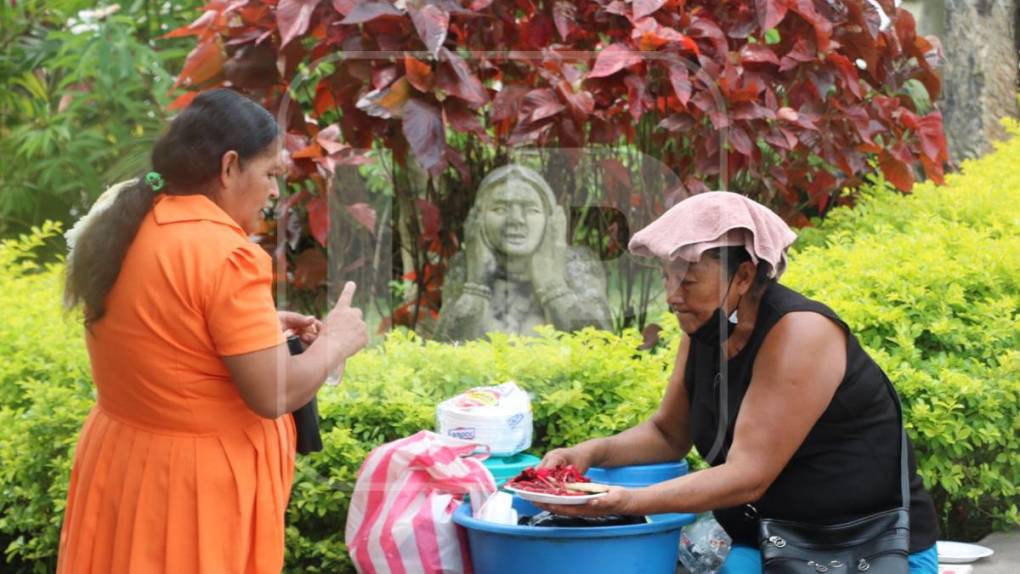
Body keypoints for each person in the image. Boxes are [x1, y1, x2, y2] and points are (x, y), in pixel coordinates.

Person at [537, 192, 940, 573]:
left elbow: (749, 475)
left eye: (688, 281)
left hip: (862, 550)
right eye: (666, 278)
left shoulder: (801, 333)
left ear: (744, 276)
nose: (672, 297)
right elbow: (667, 433)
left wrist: (629, 501)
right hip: (771, 541)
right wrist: (588, 453)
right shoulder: (704, 331)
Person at [59, 89, 368, 573]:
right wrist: (337, 340)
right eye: (269, 175)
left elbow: (165, 332)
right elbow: (273, 394)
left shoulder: (132, 223)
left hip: (123, 462)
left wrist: (261, 330)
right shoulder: (227, 254)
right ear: (228, 168)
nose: (273, 193)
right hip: (192, 488)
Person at [437, 164, 611, 341]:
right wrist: (476, 284)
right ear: (478, 219)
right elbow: (445, 348)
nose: (516, 221)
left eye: (530, 210)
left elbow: (601, 346)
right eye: (500, 209)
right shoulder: (465, 266)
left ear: (551, 220)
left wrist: (553, 287)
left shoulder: (577, 264)